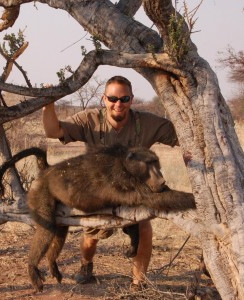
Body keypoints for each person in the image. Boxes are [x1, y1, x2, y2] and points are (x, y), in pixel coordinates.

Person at [42, 76, 178, 287]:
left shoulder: (147, 122)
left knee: (144, 228)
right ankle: (86, 265)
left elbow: (183, 134)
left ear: (131, 100)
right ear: (103, 99)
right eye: (113, 98)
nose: (118, 104)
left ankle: (138, 283)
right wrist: (48, 103)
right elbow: (53, 131)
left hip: (134, 191)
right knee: (92, 236)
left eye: (124, 99)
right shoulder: (89, 119)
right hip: (99, 191)